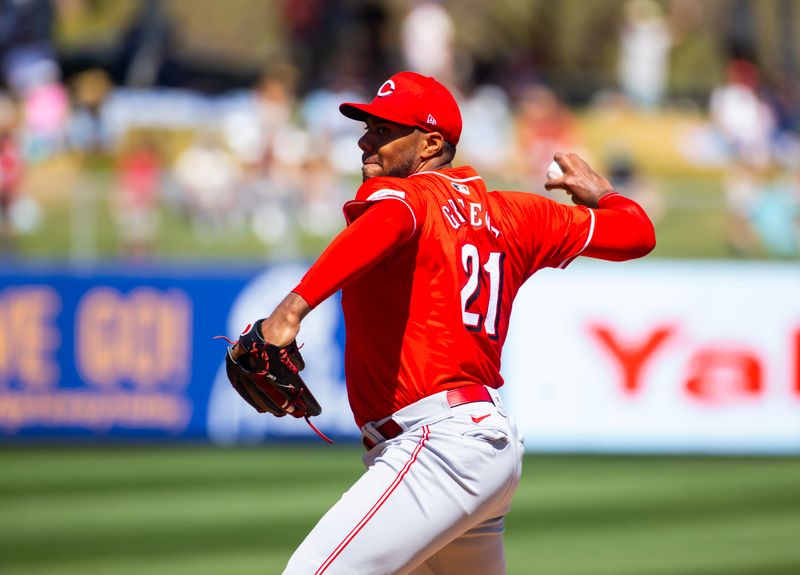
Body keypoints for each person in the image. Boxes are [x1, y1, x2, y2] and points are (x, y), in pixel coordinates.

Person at [257, 71, 655, 574]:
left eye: (383, 130)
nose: (365, 140)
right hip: (480, 445)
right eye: (368, 127)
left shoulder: (408, 198)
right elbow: (637, 233)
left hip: (437, 445)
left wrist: (291, 310)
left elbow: (389, 221)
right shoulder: (517, 214)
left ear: (430, 144)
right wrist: (605, 196)